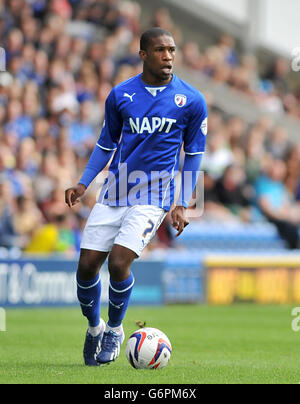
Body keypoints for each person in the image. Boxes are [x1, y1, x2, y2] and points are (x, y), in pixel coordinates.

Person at [65, 27, 208, 366]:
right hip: (116, 189)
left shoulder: (191, 100)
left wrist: (182, 202)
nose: (169, 56)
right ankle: (96, 326)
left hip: (154, 194)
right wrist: (84, 183)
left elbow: (194, 155)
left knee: (118, 262)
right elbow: (106, 144)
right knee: (86, 267)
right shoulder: (121, 95)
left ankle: (115, 329)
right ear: (143, 54)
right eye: (161, 50)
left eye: (172, 50)